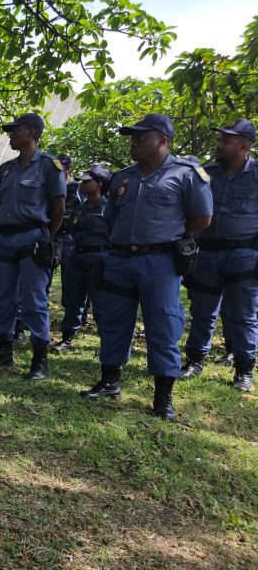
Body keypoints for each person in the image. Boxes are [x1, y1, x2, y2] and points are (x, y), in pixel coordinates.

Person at [81, 113, 213, 421]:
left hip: (161, 262)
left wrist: (166, 238)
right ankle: (110, 381)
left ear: (163, 140)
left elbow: (202, 218)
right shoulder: (124, 177)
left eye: (142, 136)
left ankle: (162, 397)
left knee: (163, 326)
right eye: (132, 136)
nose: (135, 141)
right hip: (121, 259)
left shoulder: (188, 174)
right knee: (114, 322)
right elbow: (112, 218)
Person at [0, 114, 67, 379]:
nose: (10, 135)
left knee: (33, 300)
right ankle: (3, 349)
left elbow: (58, 209)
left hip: (32, 239)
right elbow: (0, 204)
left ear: (31, 132)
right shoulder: (6, 168)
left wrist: (45, 237)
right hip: (4, 239)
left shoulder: (50, 166)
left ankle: (39, 359)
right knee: (3, 297)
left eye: (15, 130)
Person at [181, 119, 257, 391]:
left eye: (228, 140)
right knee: (203, 311)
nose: (220, 143)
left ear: (244, 146)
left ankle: (244, 370)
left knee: (243, 314)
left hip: (245, 254)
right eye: (221, 138)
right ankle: (194, 360)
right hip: (208, 253)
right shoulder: (206, 174)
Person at [52, 165, 112, 352]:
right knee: (72, 300)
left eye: (87, 182)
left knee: (101, 304)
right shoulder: (80, 206)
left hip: (99, 259)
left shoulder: (109, 208)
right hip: (77, 256)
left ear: (99, 184)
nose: (82, 184)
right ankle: (67, 338)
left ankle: (106, 344)